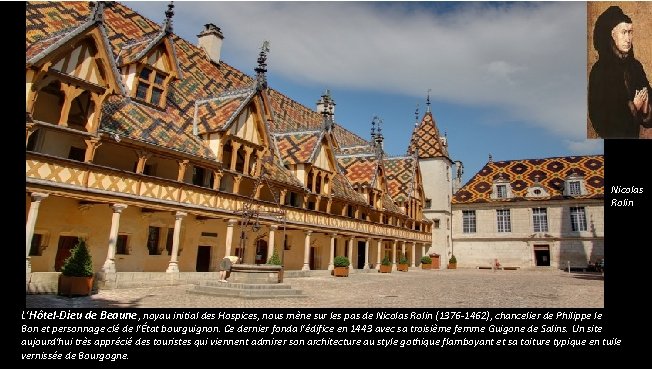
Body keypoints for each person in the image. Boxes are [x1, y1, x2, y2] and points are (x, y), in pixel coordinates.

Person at [588, 6, 652, 138]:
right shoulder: (599, 71)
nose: (628, 38)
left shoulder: (636, 67)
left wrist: (646, 110)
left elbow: (648, 117)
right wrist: (633, 107)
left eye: (630, 32)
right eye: (624, 32)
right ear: (612, 35)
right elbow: (599, 120)